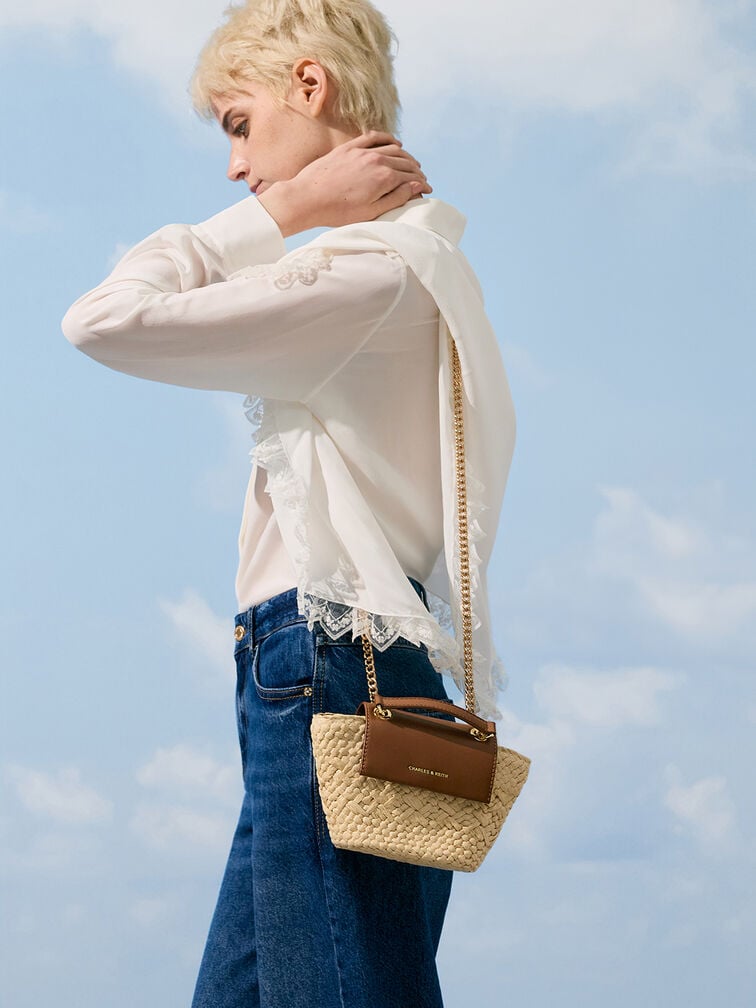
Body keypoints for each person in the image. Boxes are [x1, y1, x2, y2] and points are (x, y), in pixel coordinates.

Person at [61, 1, 516, 1006]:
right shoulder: (430, 267)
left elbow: (103, 320)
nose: (233, 165)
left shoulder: (365, 276)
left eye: (238, 123)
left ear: (308, 88)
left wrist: (278, 213)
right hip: (388, 664)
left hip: (321, 659)